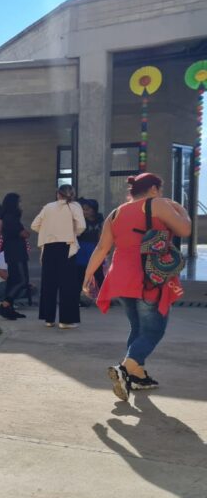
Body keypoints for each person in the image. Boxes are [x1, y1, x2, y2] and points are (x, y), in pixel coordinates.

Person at [83, 172, 191, 401]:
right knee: (154, 330)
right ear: (153, 189)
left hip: (121, 279)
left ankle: (138, 376)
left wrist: (87, 275)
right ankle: (124, 369)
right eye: (159, 190)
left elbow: (102, 248)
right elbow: (185, 230)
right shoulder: (157, 204)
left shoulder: (115, 213)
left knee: (138, 328)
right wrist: (181, 210)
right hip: (148, 277)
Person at [31, 184, 86, 329]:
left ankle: (48, 319)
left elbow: (34, 225)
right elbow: (81, 226)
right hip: (67, 247)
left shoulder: (48, 207)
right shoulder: (75, 206)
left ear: (58, 194)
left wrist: (48, 231)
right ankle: (66, 320)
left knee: (48, 283)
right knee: (68, 284)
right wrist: (70, 232)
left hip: (49, 247)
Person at [0, 193, 29, 320]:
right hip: (16, 252)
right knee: (22, 280)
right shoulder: (10, 218)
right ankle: (5, 304)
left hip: (13, 251)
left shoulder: (9, 217)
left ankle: (9, 308)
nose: (20, 205)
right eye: (19, 202)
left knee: (13, 280)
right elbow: (23, 233)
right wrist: (25, 233)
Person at [76, 198, 105, 306]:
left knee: (98, 274)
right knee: (80, 274)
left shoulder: (100, 220)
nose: (85, 212)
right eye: (83, 209)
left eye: (87, 209)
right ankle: (77, 299)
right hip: (82, 250)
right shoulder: (80, 221)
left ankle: (103, 298)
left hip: (94, 249)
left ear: (94, 210)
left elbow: (102, 234)